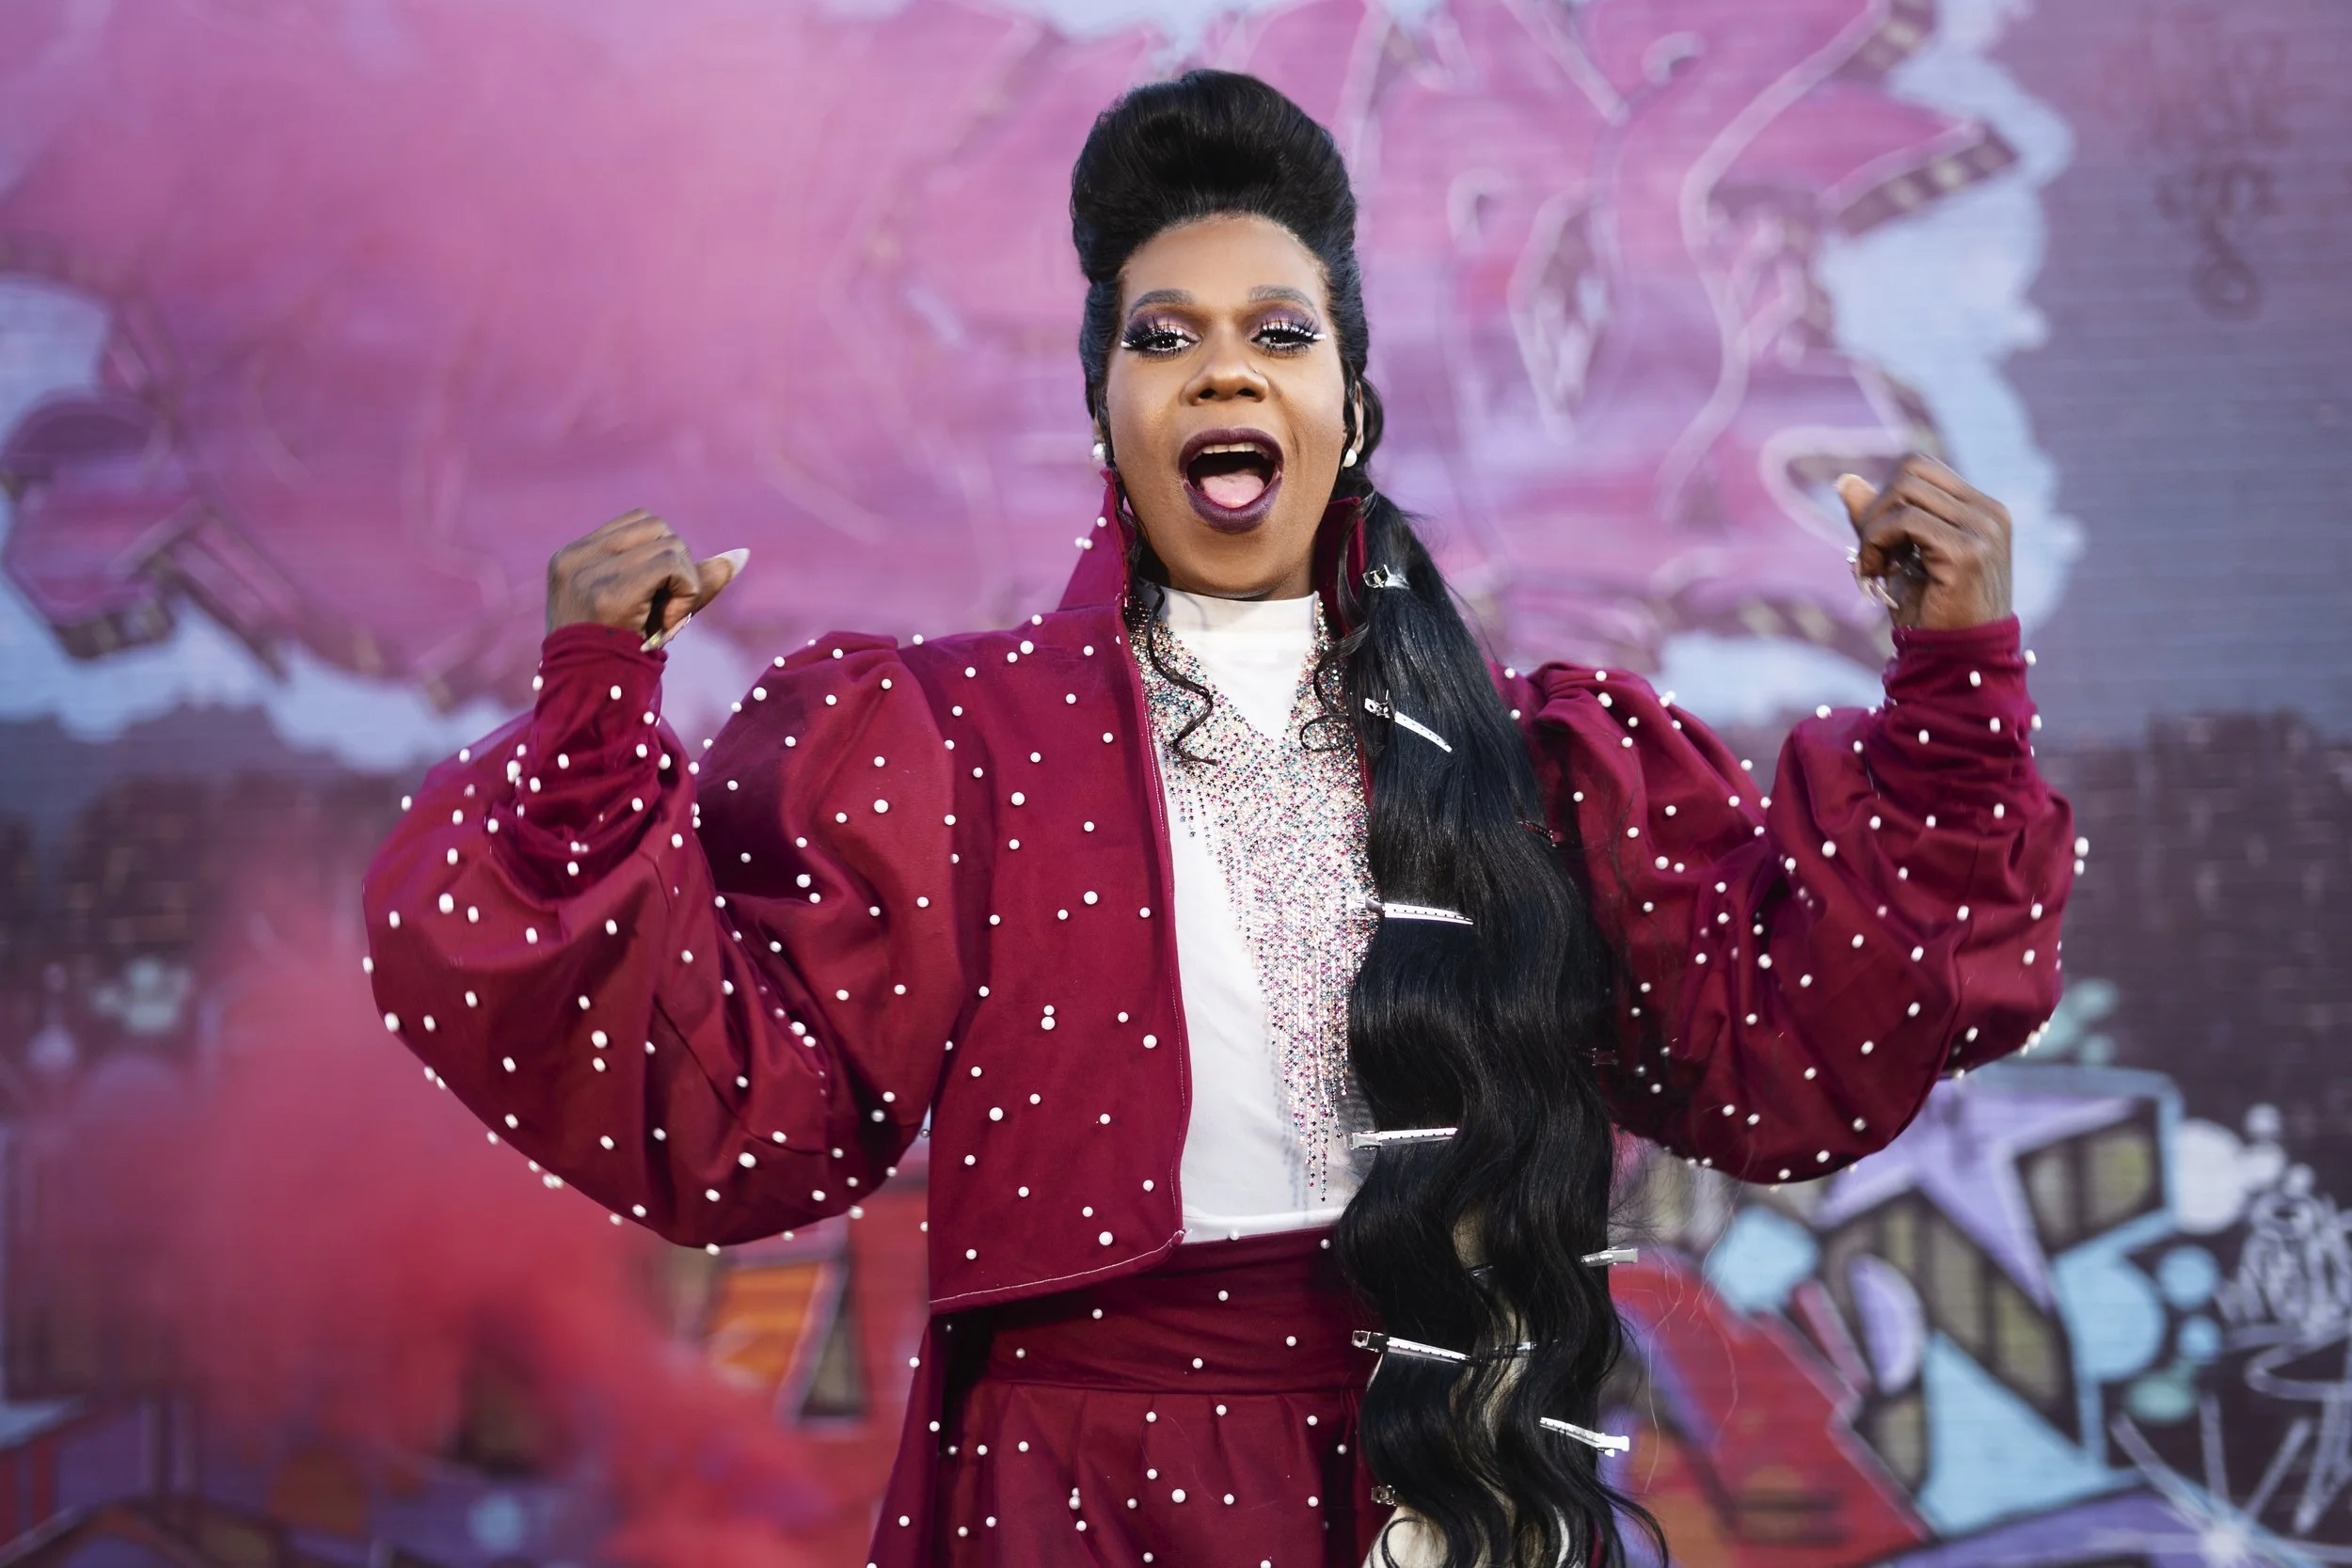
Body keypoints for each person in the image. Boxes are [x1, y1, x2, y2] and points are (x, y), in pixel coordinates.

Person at [362, 71, 2074, 1568]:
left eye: (1279, 332)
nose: (1220, 371)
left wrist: (1955, 678)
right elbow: (735, 1111)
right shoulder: (952, 744)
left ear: (1350, 400)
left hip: (1449, 1478)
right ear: (1103, 410)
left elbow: (1789, 1053)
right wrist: (592, 721)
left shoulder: (1530, 763)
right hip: (1071, 1490)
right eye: (1161, 338)